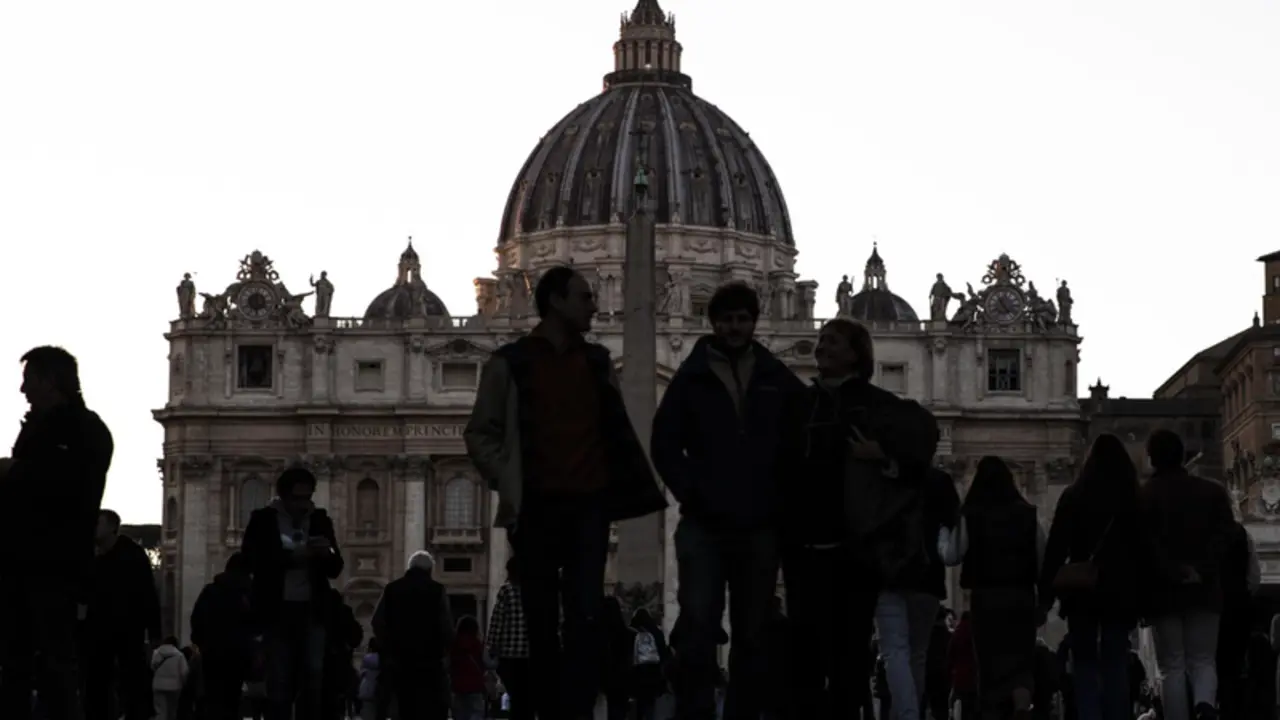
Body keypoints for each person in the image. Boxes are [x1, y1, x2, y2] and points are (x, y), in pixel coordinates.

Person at [464, 265, 666, 720]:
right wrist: (507, 479)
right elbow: (480, 433)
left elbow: (616, 429)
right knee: (539, 621)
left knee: (585, 618)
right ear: (556, 301)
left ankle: (574, 710)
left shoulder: (598, 361)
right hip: (536, 505)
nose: (595, 305)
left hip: (589, 505)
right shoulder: (510, 362)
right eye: (585, 296)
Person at [650, 282, 804, 720]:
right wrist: (693, 492)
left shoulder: (776, 376)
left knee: (754, 631)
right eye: (727, 320)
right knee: (698, 624)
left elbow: (804, 433)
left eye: (742, 319)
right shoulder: (691, 376)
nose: (735, 327)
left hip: (759, 521)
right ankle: (695, 711)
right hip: (706, 521)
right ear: (712, 322)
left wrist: (778, 492)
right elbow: (664, 442)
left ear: (754, 321)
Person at [0, 346, 114, 720]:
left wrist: (14, 472)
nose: (22, 389)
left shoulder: (83, 430)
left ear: (50, 381)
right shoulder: (50, 427)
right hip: (25, 563)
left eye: (29, 379)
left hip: (54, 564)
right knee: (21, 664)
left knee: (52, 664)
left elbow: (69, 487)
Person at [1039, 433, 1144, 720]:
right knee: (1116, 662)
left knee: (1084, 663)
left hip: (1081, 590)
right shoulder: (1133, 499)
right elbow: (1144, 549)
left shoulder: (1073, 495)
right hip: (1120, 591)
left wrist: (1045, 596)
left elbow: (1056, 548)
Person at [1139, 429, 1236, 720]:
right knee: (1203, 659)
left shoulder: (1144, 497)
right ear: (1182, 456)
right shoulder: (1212, 492)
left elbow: (1144, 545)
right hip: (1205, 589)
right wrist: (1202, 570)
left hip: (1164, 591)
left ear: (1152, 457)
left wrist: (1172, 571)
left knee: (1172, 665)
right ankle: (1204, 705)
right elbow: (1227, 538)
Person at [240, 466, 344, 720]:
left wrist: (326, 554)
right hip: (276, 611)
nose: (302, 504)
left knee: (314, 675)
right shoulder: (263, 520)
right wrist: (294, 556)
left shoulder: (320, 520)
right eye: (297, 498)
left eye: (307, 498)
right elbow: (250, 561)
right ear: (284, 496)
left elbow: (336, 568)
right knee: (279, 678)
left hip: (312, 610)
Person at [960, 455, 1044, 719]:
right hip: (1021, 595)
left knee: (989, 662)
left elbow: (953, 553)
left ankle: (992, 712)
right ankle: (1021, 707)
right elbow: (1042, 558)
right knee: (1021, 662)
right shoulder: (1028, 514)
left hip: (985, 597)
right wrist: (1044, 600)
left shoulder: (971, 514)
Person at [83, 508, 161, 720]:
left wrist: (154, 633)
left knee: (133, 683)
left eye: (98, 523)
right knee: (96, 684)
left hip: (128, 631)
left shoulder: (133, 555)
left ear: (112, 528)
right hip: (98, 631)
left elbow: (148, 593)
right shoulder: (91, 556)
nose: (93, 528)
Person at [371, 551, 454, 719]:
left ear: (409, 568)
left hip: (399, 659)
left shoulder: (392, 589)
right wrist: (446, 650)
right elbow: (445, 625)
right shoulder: (437, 590)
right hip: (429, 660)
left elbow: (377, 621)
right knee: (430, 706)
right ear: (430, 570)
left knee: (405, 706)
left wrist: (388, 645)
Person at [190, 551, 254, 720]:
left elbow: (197, 619)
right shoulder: (247, 593)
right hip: (238, 654)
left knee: (214, 699)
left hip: (212, 653)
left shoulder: (211, 591)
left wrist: (201, 643)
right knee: (232, 699)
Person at [1216, 521, 1259, 720]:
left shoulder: (1201, 528)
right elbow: (1254, 577)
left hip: (1210, 607)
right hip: (1237, 608)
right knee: (1233, 667)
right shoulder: (1242, 534)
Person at [486, 558, 531, 720]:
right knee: (526, 697)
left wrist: (491, 647)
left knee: (515, 695)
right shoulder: (535, 591)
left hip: (509, 656)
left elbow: (497, 621)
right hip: (530, 655)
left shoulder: (506, 590)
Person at [629, 609, 671, 720]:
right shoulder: (657, 633)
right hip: (654, 675)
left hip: (638, 676)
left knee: (638, 705)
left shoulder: (633, 633)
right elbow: (663, 653)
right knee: (650, 705)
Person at [450, 615, 490, 720]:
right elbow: (489, 663)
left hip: (457, 688)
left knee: (459, 715)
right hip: (476, 687)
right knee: (476, 713)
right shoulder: (479, 645)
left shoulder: (453, 646)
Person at [151, 636, 191, 720]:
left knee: (161, 711)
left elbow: (152, 667)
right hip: (175, 686)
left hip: (158, 685)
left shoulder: (156, 652)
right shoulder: (180, 655)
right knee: (172, 711)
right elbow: (184, 672)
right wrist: (184, 683)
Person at [948, 612, 978, 720]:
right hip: (974, 676)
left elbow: (950, 655)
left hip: (960, 676)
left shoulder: (957, 634)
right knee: (973, 705)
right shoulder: (975, 633)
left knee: (963, 705)